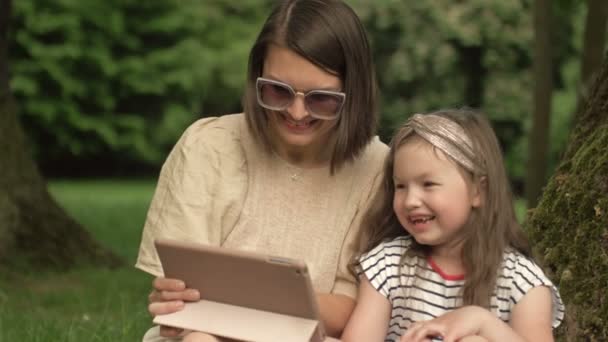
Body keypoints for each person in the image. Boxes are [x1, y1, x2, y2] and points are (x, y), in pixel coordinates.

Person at [135, 0, 388, 341]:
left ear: (353, 93)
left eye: (321, 99)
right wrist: (174, 302)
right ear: (256, 78)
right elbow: (182, 288)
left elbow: (353, 310)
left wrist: (238, 301)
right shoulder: (209, 146)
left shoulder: (377, 169)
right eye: (277, 91)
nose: (297, 113)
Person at [341, 109, 565, 342]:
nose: (410, 201)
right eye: (401, 186)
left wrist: (482, 321)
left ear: (478, 191)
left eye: (428, 184)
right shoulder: (387, 265)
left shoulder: (521, 282)